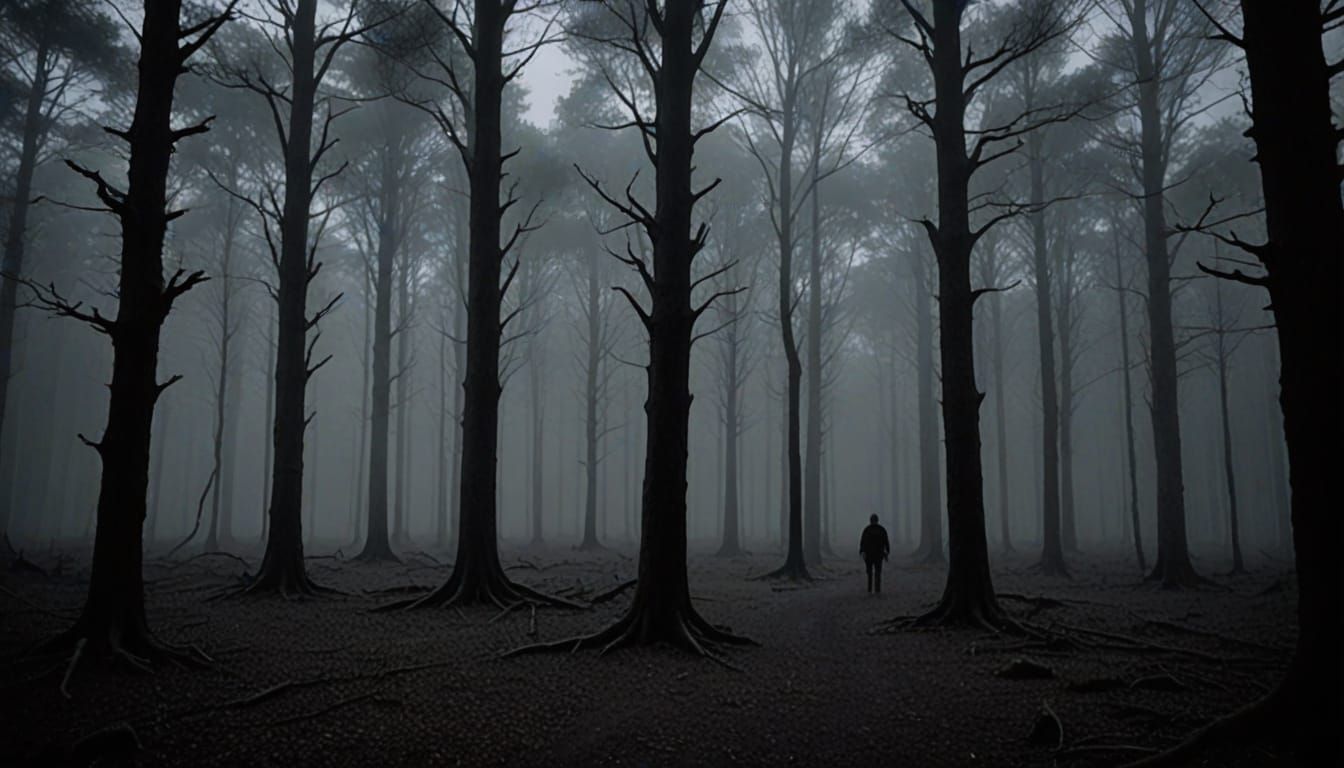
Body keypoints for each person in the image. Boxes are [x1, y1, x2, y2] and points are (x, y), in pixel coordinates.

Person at [859, 514, 890, 594]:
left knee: (869, 572)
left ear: (870, 520)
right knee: (878, 572)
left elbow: (862, 542)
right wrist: (887, 551)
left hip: (869, 555)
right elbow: (886, 541)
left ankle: (870, 589)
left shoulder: (867, 529)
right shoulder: (881, 529)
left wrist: (862, 551)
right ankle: (877, 589)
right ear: (877, 520)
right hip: (879, 554)